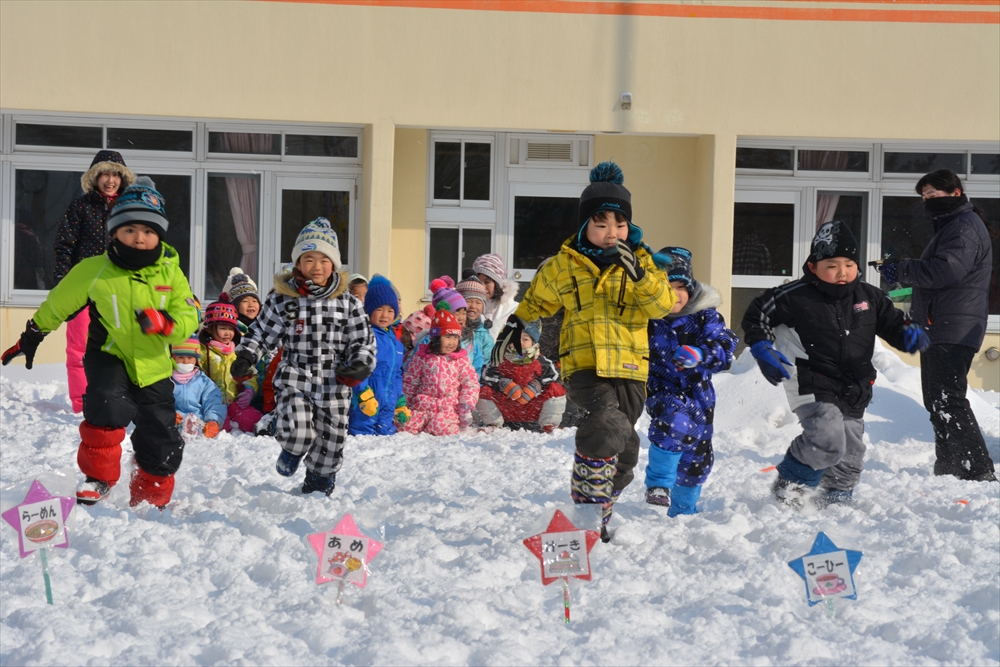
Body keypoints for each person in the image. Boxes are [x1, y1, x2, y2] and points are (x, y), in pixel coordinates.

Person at [491, 161, 675, 540]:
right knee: (606, 421)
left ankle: (603, 504)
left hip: (630, 366)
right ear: (585, 225)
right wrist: (515, 325)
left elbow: (663, 304)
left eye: (619, 224)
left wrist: (640, 278)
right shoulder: (565, 264)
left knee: (625, 443)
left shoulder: (643, 262)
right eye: (601, 223)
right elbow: (538, 300)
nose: (611, 232)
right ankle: (588, 504)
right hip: (584, 365)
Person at [2, 178, 199, 508]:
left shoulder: (171, 273)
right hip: (109, 354)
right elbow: (58, 303)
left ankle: (152, 493)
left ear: (159, 235)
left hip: (153, 362)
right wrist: (32, 334)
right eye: (130, 229)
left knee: (160, 431)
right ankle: (99, 478)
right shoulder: (95, 270)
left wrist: (167, 324)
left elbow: (189, 316)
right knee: (107, 402)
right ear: (115, 232)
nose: (140, 237)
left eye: (148, 231)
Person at [743, 221, 931, 509]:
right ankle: (790, 484)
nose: (842, 271)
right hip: (810, 377)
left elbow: (894, 324)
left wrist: (908, 334)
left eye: (849, 264)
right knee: (828, 436)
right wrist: (761, 346)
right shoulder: (794, 295)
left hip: (855, 383)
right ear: (813, 266)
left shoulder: (870, 297)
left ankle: (835, 498)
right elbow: (758, 316)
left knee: (851, 447)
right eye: (831, 264)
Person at [231, 217, 376, 496]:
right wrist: (246, 356)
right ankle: (293, 448)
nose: (316, 266)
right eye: (308, 259)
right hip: (297, 374)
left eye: (324, 259)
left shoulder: (347, 302)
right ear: (298, 264)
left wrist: (359, 364)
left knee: (331, 439)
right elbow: (262, 331)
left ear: (334, 263)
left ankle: (318, 484)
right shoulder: (283, 299)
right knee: (299, 429)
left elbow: (363, 340)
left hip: (335, 379)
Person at [876, 170, 997, 482]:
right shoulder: (952, 226)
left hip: (953, 326)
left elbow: (945, 272)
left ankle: (977, 469)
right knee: (937, 400)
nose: (928, 201)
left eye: (933, 194)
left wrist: (899, 268)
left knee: (948, 398)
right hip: (941, 325)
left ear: (956, 192)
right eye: (925, 196)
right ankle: (950, 468)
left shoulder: (963, 227)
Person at [644, 247, 737, 516]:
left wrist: (701, 353)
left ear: (691, 289)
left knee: (697, 461)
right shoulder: (647, 321)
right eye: (664, 286)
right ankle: (659, 484)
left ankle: (684, 510)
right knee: (675, 422)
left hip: (701, 396)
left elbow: (725, 348)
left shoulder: (705, 317)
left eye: (679, 286)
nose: (672, 294)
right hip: (664, 390)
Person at [53, 150, 136, 413]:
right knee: (78, 348)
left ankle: (120, 399)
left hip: (120, 288)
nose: (110, 180)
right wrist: (63, 282)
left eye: (115, 174)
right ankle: (81, 403)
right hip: (84, 289)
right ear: (95, 177)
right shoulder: (81, 206)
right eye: (104, 174)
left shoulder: (131, 207)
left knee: (122, 347)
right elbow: (64, 246)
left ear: (122, 178)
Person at [401, 309, 480, 436]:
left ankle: (439, 426)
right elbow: (410, 382)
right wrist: (405, 405)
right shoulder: (422, 357)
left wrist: (466, 406)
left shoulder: (460, 360)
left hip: (447, 409)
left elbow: (470, 383)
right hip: (421, 407)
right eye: (447, 337)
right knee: (405, 427)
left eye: (455, 338)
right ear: (436, 338)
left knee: (440, 428)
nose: (452, 342)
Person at [478, 322, 566, 432]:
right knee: (485, 390)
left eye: (525, 339)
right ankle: (493, 425)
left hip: (532, 407)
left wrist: (538, 385)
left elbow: (555, 376)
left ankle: (549, 424)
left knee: (555, 389)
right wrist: (502, 382)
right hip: (507, 406)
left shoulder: (541, 361)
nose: (519, 342)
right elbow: (486, 375)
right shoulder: (500, 359)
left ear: (533, 342)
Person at [348, 275, 409, 436]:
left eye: (390, 310)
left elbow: (397, 373)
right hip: (367, 399)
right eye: (379, 309)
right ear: (369, 310)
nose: (385, 315)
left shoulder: (396, 343)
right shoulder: (366, 336)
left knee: (386, 436)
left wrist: (400, 401)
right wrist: (363, 394)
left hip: (388, 400)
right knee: (362, 435)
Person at [198, 297, 261, 433]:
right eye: (222, 328)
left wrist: (249, 390)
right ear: (209, 329)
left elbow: (250, 375)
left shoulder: (238, 352)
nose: (228, 333)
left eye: (231, 329)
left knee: (252, 420)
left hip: (234, 401)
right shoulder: (203, 352)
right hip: (212, 403)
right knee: (221, 424)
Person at [170, 336, 225, 439]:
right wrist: (169, 414)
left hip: (198, 420)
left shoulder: (203, 382)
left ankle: (192, 430)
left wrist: (213, 421)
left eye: (190, 358)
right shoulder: (167, 381)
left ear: (196, 360)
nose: (186, 361)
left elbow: (213, 401)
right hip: (174, 419)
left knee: (193, 422)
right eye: (181, 358)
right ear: (174, 358)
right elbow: (161, 401)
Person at [455, 274, 496, 377]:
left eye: (478, 303)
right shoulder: (449, 331)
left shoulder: (484, 335)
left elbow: (487, 363)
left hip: (473, 383)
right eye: (468, 301)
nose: (473, 306)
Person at [472, 254, 520, 339]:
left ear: (497, 284)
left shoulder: (514, 310)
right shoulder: (467, 307)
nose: (482, 287)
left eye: (487, 282)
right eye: (478, 282)